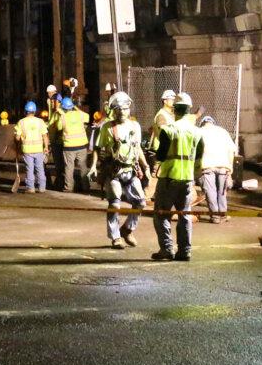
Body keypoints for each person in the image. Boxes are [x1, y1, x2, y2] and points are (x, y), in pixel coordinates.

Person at [88, 91, 150, 249]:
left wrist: (146, 166)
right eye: (118, 109)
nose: (122, 112)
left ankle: (127, 229)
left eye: (124, 109)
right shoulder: (107, 128)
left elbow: (138, 149)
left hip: (131, 170)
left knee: (140, 202)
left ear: (129, 109)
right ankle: (115, 236)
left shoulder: (135, 126)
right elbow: (97, 148)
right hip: (113, 172)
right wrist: (94, 166)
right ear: (113, 111)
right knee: (114, 205)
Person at [152, 92, 204, 262]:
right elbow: (199, 155)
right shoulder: (197, 132)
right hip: (187, 179)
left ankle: (167, 249)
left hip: (169, 178)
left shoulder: (169, 130)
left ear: (174, 110)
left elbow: (160, 155)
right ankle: (185, 251)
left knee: (162, 215)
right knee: (185, 215)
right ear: (189, 110)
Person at [196, 115, 236, 223]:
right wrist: (230, 167)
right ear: (213, 123)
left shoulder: (199, 132)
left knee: (211, 192)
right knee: (222, 192)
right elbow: (231, 151)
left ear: (202, 123)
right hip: (223, 166)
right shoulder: (223, 131)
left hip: (207, 166)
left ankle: (215, 217)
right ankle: (222, 215)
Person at [14, 101, 48, 193]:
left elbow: (17, 138)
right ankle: (42, 188)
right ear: (35, 111)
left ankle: (31, 188)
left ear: (25, 111)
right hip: (38, 149)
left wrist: (18, 137)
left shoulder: (21, 122)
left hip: (27, 150)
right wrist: (46, 147)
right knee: (40, 168)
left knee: (29, 169)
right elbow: (45, 136)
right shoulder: (40, 121)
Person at [58, 97, 90, 192]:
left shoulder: (63, 117)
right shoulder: (80, 114)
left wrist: (61, 113)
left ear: (63, 108)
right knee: (83, 167)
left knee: (69, 167)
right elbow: (87, 118)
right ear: (72, 106)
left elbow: (59, 127)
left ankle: (69, 188)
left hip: (69, 147)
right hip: (82, 145)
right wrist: (76, 108)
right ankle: (86, 187)